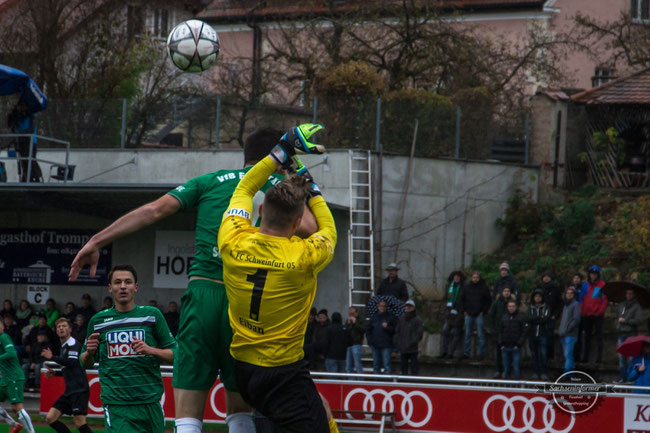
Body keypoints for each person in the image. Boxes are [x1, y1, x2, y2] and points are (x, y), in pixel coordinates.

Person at [69, 127, 317, 433]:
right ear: (279, 158)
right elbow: (309, 226)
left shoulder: (210, 181)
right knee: (239, 405)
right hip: (242, 303)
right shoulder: (279, 186)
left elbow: (154, 210)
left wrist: (97, 240)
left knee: (188, 408)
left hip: (203, 293)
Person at [217, 124, 338, 433]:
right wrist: (311, 186)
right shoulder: (303, 257)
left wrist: (280, 152)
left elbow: (243, 188)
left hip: (243, 370)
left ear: (261, 209)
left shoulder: (232, 241)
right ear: (298, 222)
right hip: (282, 373)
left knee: (320, 410)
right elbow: (328, 230)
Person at [80, 265, 176, 433]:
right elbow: (85, 362)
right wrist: (89, 352)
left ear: (136, 287)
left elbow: (177, 355)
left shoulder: (152, 315)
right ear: (110, 288)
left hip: (150, 403)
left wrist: (151, 350)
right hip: (118, 406)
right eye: (117, 282)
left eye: (128, 282)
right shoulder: (98, 321)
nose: (123, 286)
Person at [42, 318, 92, 433]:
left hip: (79, 389)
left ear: (70, 329)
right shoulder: (64, 347)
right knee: (50, 418)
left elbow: (73, 362)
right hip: (70, 391)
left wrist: (52, 357)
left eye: (64, 326)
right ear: (56, 331)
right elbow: (70, 367)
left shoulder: (72, 343)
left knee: (80, 422)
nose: (61, 328)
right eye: (59, 327)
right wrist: (56, 373)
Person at [0, 320, 35, 433]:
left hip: (14, 377)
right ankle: (13, 424)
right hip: (5, 378)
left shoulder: (4, 337)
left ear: (2, 327)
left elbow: (12, 353)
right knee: (15, 408)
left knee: (17, 407)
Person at [579, 265, 608, 364]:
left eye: (595, 274)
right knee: (587, 337)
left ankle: (599, 358)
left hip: (597, 315)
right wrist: (582, 312)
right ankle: (585, 357)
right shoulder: (585, 285)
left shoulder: (602, 285)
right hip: (586, 315)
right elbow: (581, 299)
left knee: (599, 337)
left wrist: (599, 312)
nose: (593, 276)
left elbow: (604, 301)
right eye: (591, 274)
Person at [459, 270, 491, 360]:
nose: (475, 279)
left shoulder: (484, 288)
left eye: (477, 277)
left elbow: (488, 300)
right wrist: (463, 311)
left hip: (479, 314)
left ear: (479, 278)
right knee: (467, 334)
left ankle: (481, 354)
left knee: (481, 335)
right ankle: (466, 353)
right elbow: (461, 300)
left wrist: (484, 311)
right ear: (471, 278)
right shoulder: (466, 287)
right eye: (474, 277)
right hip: (468, 314)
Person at [8, 102, 41, 183]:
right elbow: (12, 128)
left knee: (31, 160)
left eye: (24, 107)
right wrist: (11, 117)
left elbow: (31, 129)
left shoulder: (31, 115)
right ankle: (26, 178)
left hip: (31, 141)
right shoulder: (19, 117)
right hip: (21, 141)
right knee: (24, 161)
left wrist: (20, 133)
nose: (22, 109)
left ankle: (36, 178)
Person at [615, 288, 642, 383]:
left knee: (631, 357)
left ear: (633, 294)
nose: (628, 295)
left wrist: (626, 321)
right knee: (621, 357)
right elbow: (616, 317)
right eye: (627, 293)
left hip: (631, 334)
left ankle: (631, 378)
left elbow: (638, 320)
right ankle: (622, 377)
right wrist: (617, 324)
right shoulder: (622, 305)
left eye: (630, 293)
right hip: (621, 333)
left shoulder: (636, 306)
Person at [487, 286, 514, 378]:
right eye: (504, 291)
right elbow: (490, 315)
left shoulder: (512, 303)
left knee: (509, 353)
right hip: (498, 332)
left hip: (510, 332)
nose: (506, 292)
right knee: (499, 353)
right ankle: (498, 370)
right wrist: (493, 328)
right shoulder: (496, 303)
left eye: (508, 291)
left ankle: (507, 371)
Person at [499, 300, 528, 380]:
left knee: (516, 367)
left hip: (516, 347)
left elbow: (524, 332)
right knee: (506, 368)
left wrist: (519, 344)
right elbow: (500, 331)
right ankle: (507, 386)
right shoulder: (504, 317)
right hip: (505, 347)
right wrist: (501, 343)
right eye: (509, 306)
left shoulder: (521, 317)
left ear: (516, 307)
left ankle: (517, 386)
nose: (511, 308)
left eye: (513, 306)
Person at [536, 271, 562, 361]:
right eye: (544, 276)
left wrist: (555, 315)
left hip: (551, 316)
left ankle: (550, 356)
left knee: (550, 337)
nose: (546, 278)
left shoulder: (555, 288)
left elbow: (559, 303)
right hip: (540, 316)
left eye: (548, 276)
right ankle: (540, 356)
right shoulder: (538, 287)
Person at [438, 270, 464, 359]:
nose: (456, 278)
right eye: (455, 277)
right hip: (449, 313)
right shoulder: (450, 287)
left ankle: (450, 353)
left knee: (455, 333)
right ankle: (443, 352)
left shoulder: (463, 287)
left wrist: (461, 312)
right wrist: (446, 310)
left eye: (458, 277)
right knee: (445, 331)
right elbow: (445, 299)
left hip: (459, 314)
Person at [367, 300, 397, 374]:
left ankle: (387, 384)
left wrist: (387, 327)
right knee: (376, 365)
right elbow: (368, 330)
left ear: (386, 307)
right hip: (375, 345)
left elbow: (395, 331)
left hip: (386, 345)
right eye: (381, 306)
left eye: (384, 306)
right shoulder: (373, 317)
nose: (382, 307)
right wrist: (370, 342)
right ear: (378, 306)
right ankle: (376, 383)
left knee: (387, 365)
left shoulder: (391, 317)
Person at [395, 300, 423, 375]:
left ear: (414, 308)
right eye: (407, 306)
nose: (408, 307)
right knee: (403, 368)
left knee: (414, 368)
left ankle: (414, 383)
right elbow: (397, 331)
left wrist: (411, 343)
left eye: (410, 306)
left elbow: (419, 334)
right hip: (403, 348)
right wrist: (399, 343)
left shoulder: (418, 320)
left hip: (413, 348)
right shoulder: (401, 318)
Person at [528, 289, 550, 380]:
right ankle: (535, 372)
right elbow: (528, 318)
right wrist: (538, 318)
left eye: (539, 296)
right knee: (534, 355)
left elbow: (545, 319)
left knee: (543, 355)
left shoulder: (546, 307)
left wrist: (535, 319)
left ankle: (543, 372)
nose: (537, 298)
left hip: (543, 334)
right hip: (532, 334)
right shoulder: (530, 308)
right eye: (536, 296)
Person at [559, 287, 581, 373]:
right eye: (567, 293)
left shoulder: (576, 304)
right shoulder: (565, 305)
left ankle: (566, 373)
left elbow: (576, 319)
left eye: (571, 293)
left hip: (570, 334)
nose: (569, 294)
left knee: (568, 354)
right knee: (568, 355)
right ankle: (571, 374)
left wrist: (568, 329)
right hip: (563, 334)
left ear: (574, 295)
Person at [344, 306, 365, 378]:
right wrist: (348, 324)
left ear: (356, 313)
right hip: (348, 345)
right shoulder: (348, 320)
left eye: (352, 313)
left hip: (357, 344)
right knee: (348, 365)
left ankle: (360, 380)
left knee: (357, 364)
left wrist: (355, 323)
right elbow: (345, 331)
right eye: (349, 313)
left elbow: (363, 330)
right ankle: (351, 380)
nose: (351, 315)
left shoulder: (361, 320)